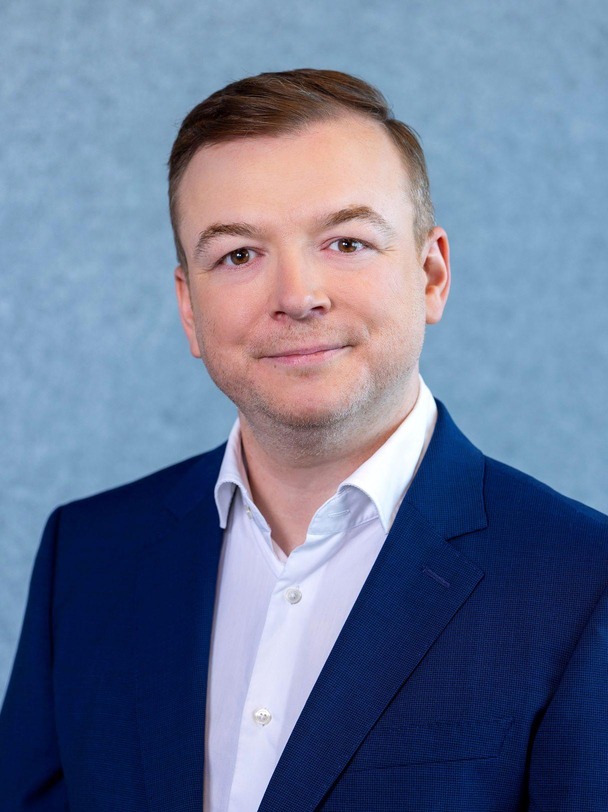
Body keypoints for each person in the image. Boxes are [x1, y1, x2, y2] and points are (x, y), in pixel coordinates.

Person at [1, 69, 607, 812]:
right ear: (189, 309)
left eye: (346, 242)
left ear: (431, 275)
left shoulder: (584, 583)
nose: (296, 296)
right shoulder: (88, 556)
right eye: (238, 255)